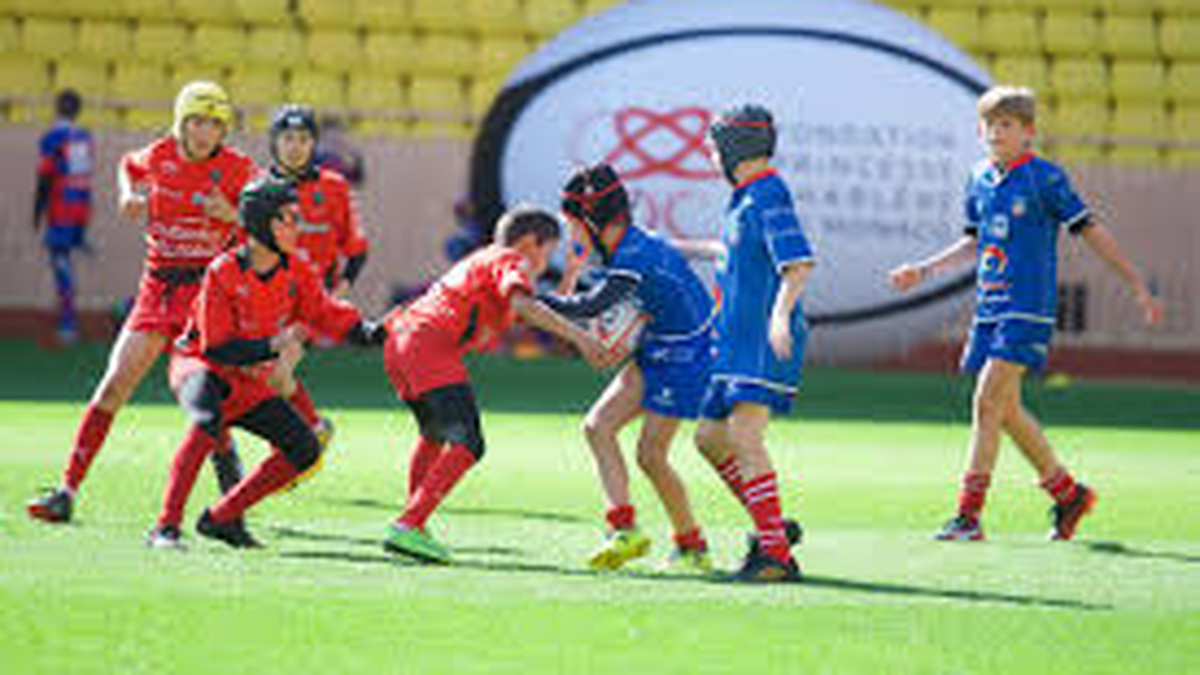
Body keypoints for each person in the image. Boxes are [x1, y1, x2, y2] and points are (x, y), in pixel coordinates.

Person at [889, 85, 1163, 542]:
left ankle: (968, 517)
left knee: (985, 401)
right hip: (990, 307)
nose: (996, 133)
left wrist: (1136, 283)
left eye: (1007, 125)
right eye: (990, 125)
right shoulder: (978, 178)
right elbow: (975, 241)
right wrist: (923, 269)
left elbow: (1090, 231)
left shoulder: (1045, 179)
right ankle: (1068, 494)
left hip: (1027, 307)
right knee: (1007, 409)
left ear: (1029, 133)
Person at [26, 82, 257, 524]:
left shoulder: (238, 169)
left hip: (206, 298)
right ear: (181, 122)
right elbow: (127, 167)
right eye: (197, 121)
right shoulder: (158, 156)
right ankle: (66, 490)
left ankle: (231, 494)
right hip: (157, 290)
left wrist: (234, 215)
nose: (206, 131)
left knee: (208, 401)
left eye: (214, 123)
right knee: (114, 385)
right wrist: (128, 196)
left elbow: (274, 218)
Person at [150, 176, 384, 549]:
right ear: (260, 223)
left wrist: (373, 333)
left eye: (297, 217)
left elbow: (326, 313)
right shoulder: (223, 271)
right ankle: (165, 528)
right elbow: (216, 349)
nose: (297, 226)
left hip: (248, 381)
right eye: (287, 218)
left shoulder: (296, 269)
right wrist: (271, 346)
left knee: (305, 449)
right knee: (207, 421)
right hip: (200, 365)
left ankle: (221, 519)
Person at [380, 205, 614, 564]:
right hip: (430, 345)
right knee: (469, 443)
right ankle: (409, 523)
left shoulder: (488, 259)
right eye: (548, 252)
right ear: (529, 244)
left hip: (403, 342)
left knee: (434, 435)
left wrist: (570, 278)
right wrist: (582, 340)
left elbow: (532, 306)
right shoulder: (511, 259)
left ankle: (414, 525)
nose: (543, 263)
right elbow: (527, 305)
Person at [538, 163, 717, 573]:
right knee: (596, 427)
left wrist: (532, 300)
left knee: (651, 455)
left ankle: (693, 546)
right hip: (658, 346)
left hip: (687, 356)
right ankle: (624, 530)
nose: (572, 234)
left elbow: (590, 306)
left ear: (594, 220)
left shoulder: (632, 255)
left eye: (574, 224)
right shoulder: (625, 247)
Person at [691, 104, 814, 583]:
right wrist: (674, 246)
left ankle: (775, 557)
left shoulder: (769, 195)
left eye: (715, 146)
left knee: (744, 438)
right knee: (708, 439)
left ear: (734, 147)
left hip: (759, 341)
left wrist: (780, 317)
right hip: (734, 341)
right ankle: (772, 531)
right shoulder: (744, 198)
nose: (710, 155)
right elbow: (731, 251)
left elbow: (799, 263)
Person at [262, 104, 372, 477]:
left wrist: (337, 294)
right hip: (266, 302)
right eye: (288, 138)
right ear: (274, 141)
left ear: (315, 143)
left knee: (276, 375)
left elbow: (357, 250)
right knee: (264, 381)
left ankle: (296, 446)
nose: (295, 146)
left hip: (310, 302)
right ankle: (311, 428)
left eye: (304, 138)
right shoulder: (259, 188)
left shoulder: (335, 187)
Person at [33, 89, 94, 344]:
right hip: (80, 206)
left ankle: (68, 324)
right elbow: (84, 176)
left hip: (60, 208)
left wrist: (37, 210)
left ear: (57, 107)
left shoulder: (52, 137)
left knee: (61, 264)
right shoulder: (84, 137)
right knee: (65, 263)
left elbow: (45, 175)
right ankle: (67, 320)